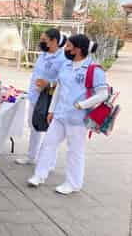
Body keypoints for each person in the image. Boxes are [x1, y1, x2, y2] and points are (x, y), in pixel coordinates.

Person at [28, 34, 109, 195]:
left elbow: (103, 93)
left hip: (77, 119)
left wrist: (83, 105)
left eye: (69, 46)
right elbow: (58, 89)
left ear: (78, 49)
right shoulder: (66, 66)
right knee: (48, 144)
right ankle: (39, 175)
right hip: (59, 115)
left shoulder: (94, 69)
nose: (65, 48)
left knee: (75, 151)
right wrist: (51, 110)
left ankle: (73, 183)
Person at [15, 28, 67, 166]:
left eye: (44, 40)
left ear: (54, 41)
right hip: (34, 97)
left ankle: (49, 162)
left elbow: (65, 81)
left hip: (49, 100)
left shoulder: (63, 59)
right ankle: (31, 156)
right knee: (34, 126)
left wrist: (49, 84)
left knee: (51, 131)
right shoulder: (43, 55)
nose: (41, 42)